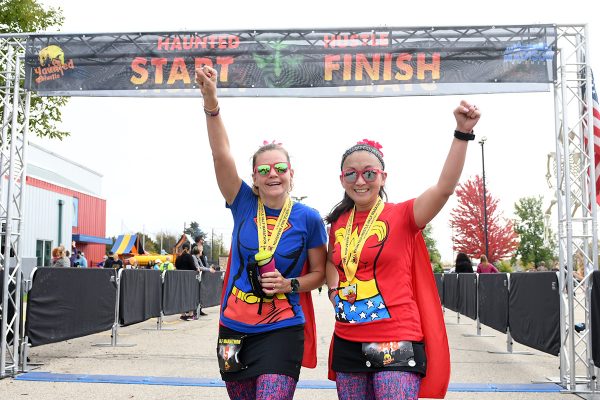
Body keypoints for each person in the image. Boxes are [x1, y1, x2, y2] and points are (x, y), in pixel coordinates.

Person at [324, 100, 481, 400]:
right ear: (341, 178)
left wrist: (462, 134)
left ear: (383, 177)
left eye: (369, 173)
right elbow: (334, 261)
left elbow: (444, 188)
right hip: (348, 338)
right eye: (351, 174)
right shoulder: (339, 222)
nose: (360, 181)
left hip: (396, 337)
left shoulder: (405, 215)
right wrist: (334, 290)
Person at [196, 65, 327, 400]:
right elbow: (220, 153)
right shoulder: (241, 202)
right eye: (264, 169)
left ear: (291, 174)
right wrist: (211, 103)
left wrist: (289, 284)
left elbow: (319, 274)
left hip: (282, 326)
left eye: (280, 168)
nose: (273, 175)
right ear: (253, 177)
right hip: (234, 327)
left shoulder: (308, 218)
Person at [192, 244, 216, 318]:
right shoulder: (193, 257)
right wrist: (209, 269)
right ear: (198, 251)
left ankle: (199, 309)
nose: (202, 251)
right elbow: (198, 267)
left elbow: (202, 266)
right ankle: (193, 311)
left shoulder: (198, 258)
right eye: (201, 250)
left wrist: (209, 268)